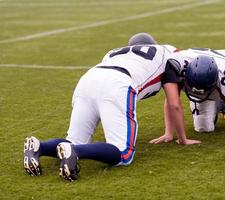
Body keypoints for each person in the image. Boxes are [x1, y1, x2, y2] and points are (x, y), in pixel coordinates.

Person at [24, 33, 200, 181]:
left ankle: (40, 146)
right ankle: (74, 151)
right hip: (118, 83)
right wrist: (182, 139)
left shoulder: (114, 52)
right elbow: (174, 103)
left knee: (73, 140)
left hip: (88, 79)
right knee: (122, 153)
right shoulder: (167, 52)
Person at [150, 48, 225, 151]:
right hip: (205, 76)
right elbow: (172, 102)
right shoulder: (177, 67)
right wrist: (168, 133)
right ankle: (222, 105)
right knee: (203, 128)